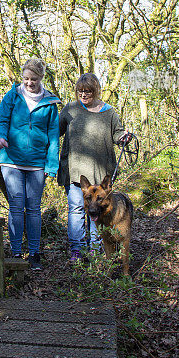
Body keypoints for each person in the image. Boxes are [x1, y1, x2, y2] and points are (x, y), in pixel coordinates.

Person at [0, 58, 60, 270]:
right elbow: (1, 120)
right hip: (11, 160)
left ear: (41, 78)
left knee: (33, 208)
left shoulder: (49, 103)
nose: (29, 83)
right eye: (26, 78)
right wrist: (0, 136)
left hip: (37, 163)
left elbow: (53, 135)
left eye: (33, 79)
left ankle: (34, 253)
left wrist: (51, 164)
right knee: (15, 206)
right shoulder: (12, 96)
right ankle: (15, 252)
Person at [58, 73, 131, 264]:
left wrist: (125, 137)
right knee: (76, 210)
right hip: (75, 171)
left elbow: (118, 134)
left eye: (88, 91)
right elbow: (54, 131)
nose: (83, 94)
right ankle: (77, 251)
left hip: (100, 174)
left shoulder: (109, 112)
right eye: (80, 91)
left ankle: (97, 250)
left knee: (97, 212)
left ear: (96, 91)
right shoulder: (71, 109)